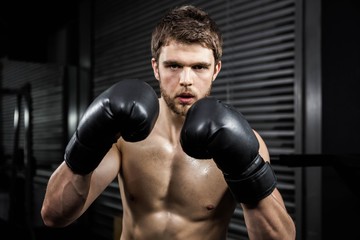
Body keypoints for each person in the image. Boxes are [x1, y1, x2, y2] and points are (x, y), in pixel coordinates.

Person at [41, 4, 296, 240]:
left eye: (199, 67)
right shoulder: (123, 137)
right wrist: (87, 142)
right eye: (173, 66)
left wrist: (247, 170)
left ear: (216, 70)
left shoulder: (243, 141)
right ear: (156, 68)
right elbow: (54, 215)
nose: (186, 79)